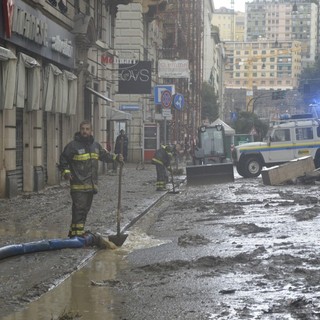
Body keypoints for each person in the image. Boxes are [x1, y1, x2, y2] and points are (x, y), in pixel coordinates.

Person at [59, 120, 123, 238]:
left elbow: (105, 155)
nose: (85, 131)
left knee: (85, 210)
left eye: (87, 129)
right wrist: (66, 172)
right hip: (78, 185)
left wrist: (116, 157)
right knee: (79, 209)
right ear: (80, 130)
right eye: (83, 129)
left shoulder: (95, 146)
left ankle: (75, 233)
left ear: (91, 131)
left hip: (91, 185)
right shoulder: (73, 146)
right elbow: (63, 160)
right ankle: (77, 237)